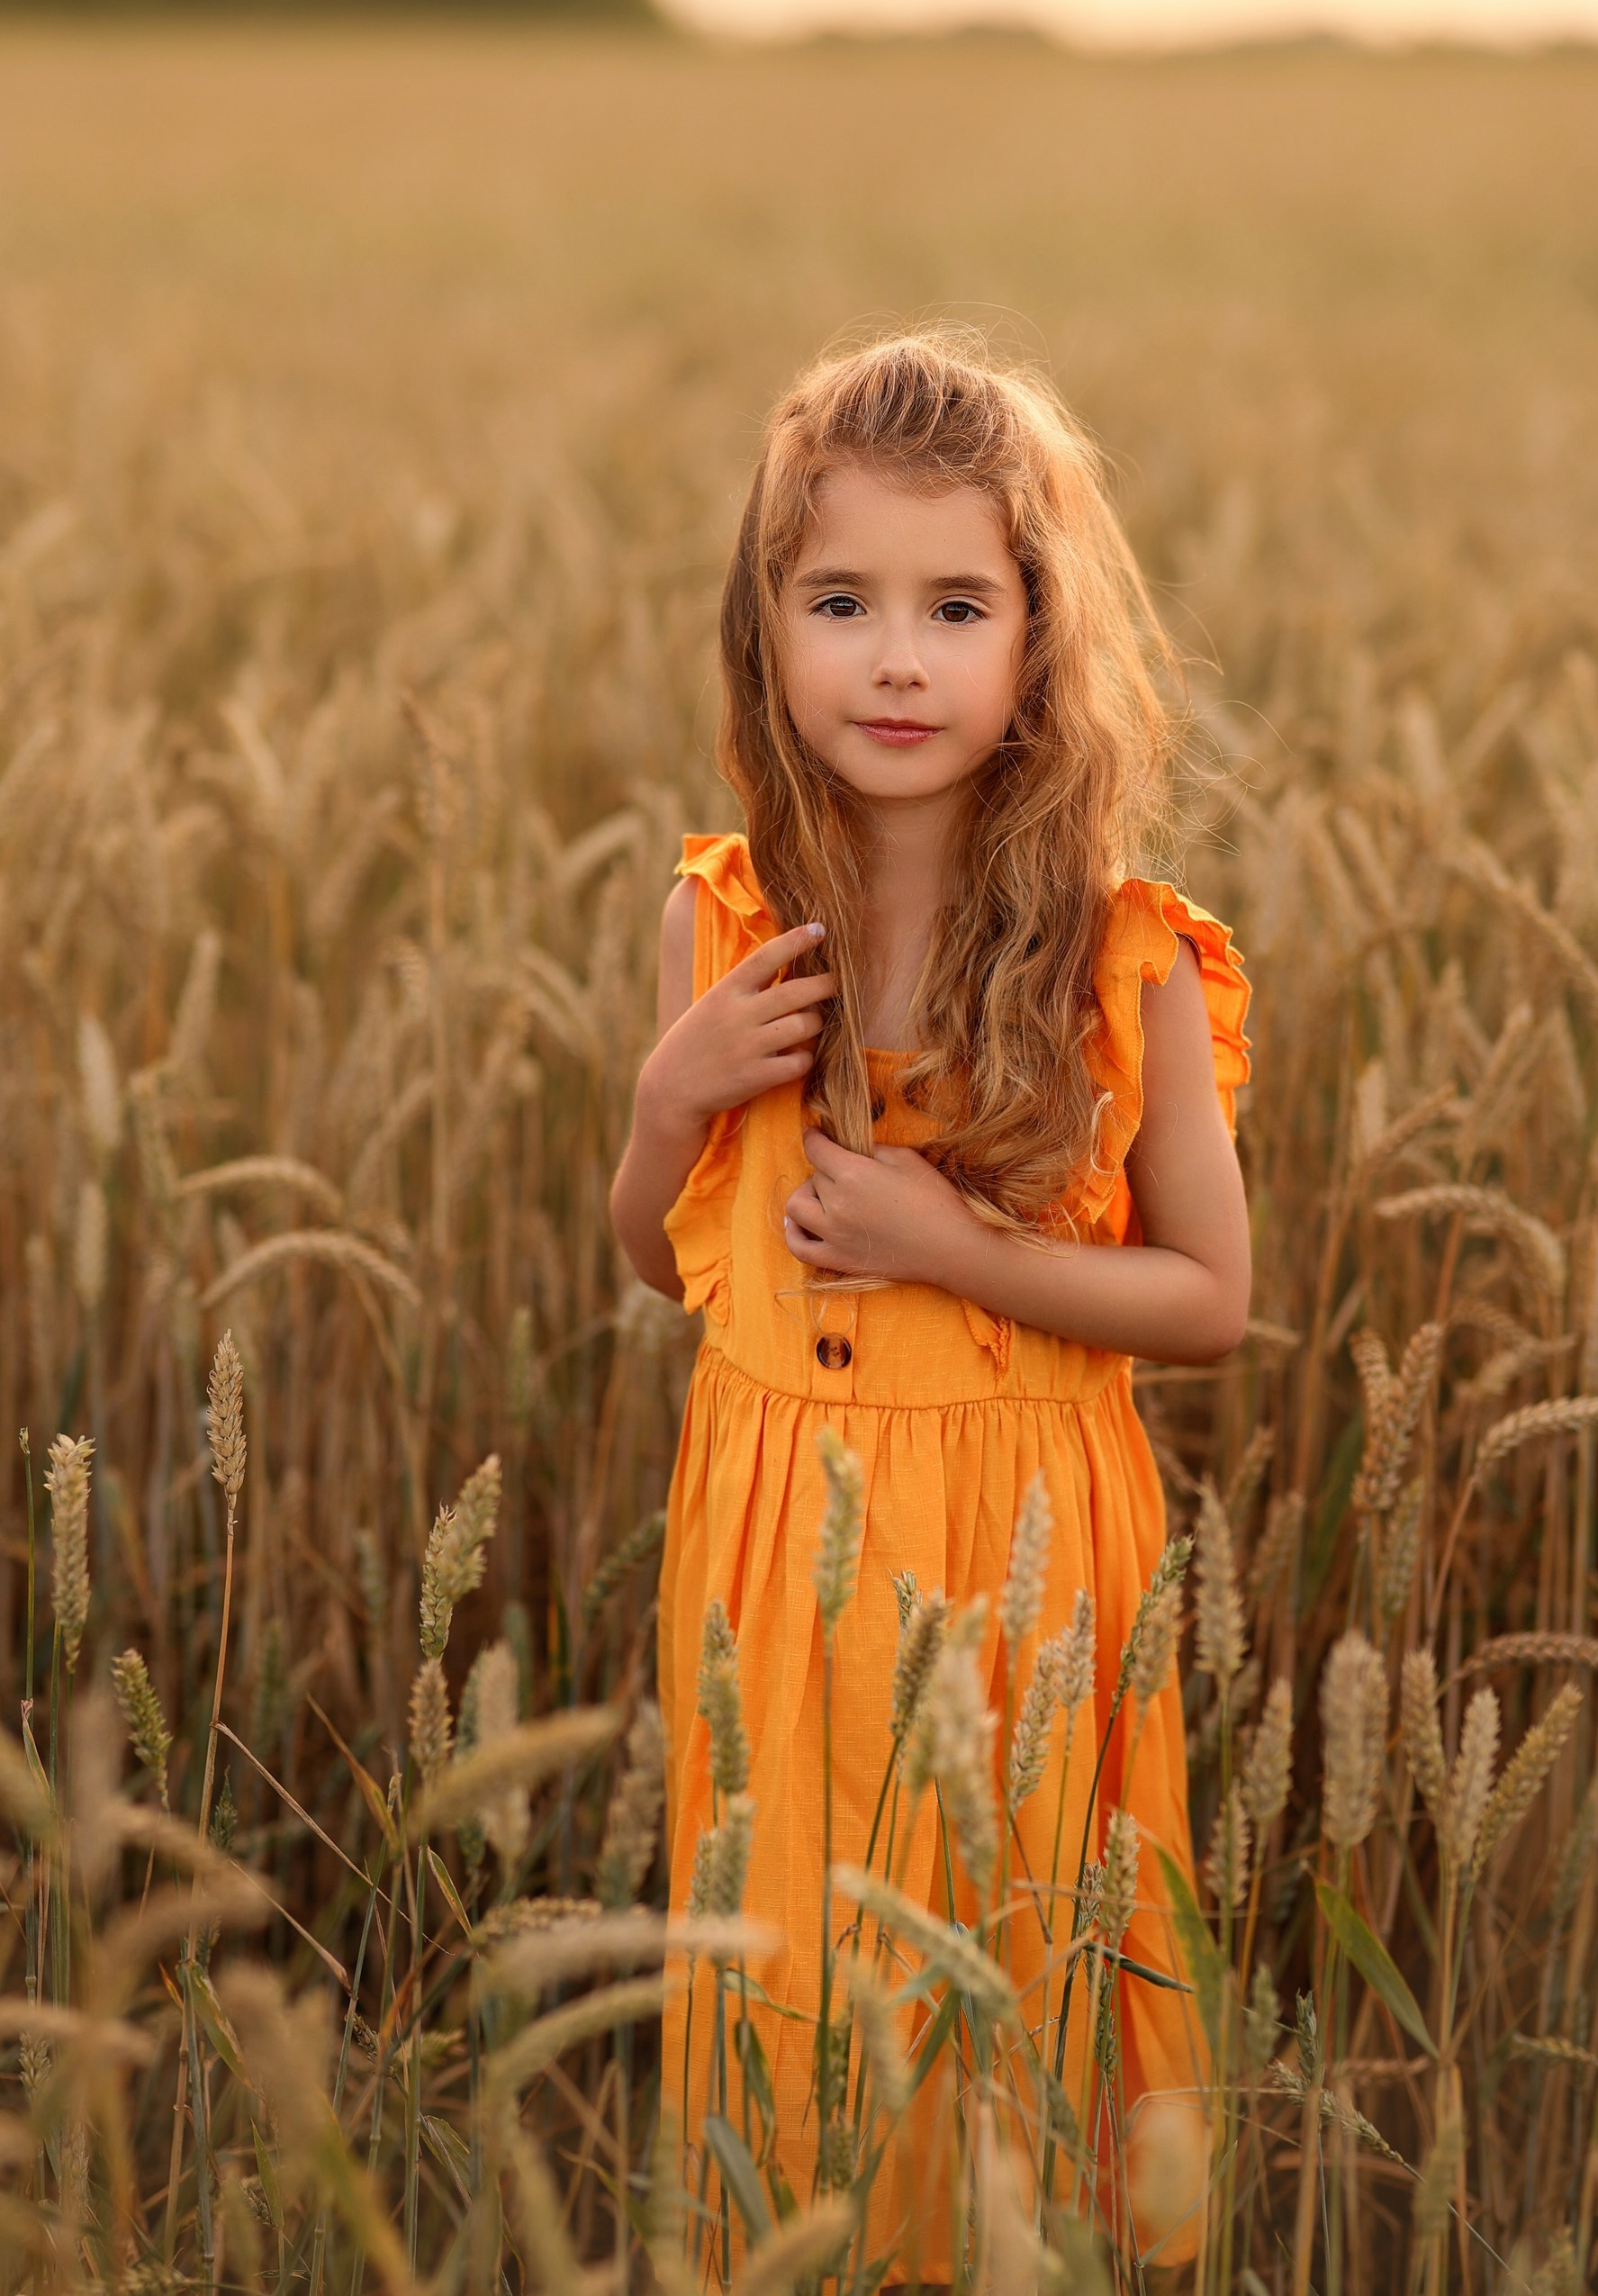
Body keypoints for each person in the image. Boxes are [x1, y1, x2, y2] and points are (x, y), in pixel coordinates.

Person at [609, 329, 1250, 2276]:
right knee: (796, 1987)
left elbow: (1210, 1294)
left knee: (1013, 1981)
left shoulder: (1120, 955)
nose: (897, 657)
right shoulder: (718, 923)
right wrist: (667, 1102)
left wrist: (958, 1254)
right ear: (766, 630)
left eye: (955, 604)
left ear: (1037, 643)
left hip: (1030, 1555)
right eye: (843, 601)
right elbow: (676, 1254)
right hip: (775, 1544)